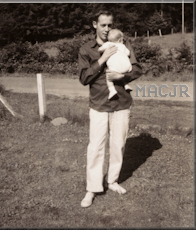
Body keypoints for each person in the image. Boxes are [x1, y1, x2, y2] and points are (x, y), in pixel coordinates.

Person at [78, 10, 142, 208]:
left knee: (118, 145)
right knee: (96, 146)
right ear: (94, 24)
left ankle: (112, 181)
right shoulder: (86, 49)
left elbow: (137, 68)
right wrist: (103, 58)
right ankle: (92, 188)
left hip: (122, 102)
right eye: (103, 25)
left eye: (109, 25)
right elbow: (84, 78)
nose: (107, 29)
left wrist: (122, 78)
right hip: (98, 103)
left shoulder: (122, 42)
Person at [98, 29, 132, 99]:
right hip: (127, 67)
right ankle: (126, 85)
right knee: (121, 74)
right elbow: (128, 53)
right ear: (120, 40)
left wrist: (101, 49)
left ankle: (112, 90)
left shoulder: (108, 44)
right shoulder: (122, 46)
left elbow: (100, 49)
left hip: (115, 69)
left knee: (108, 76)